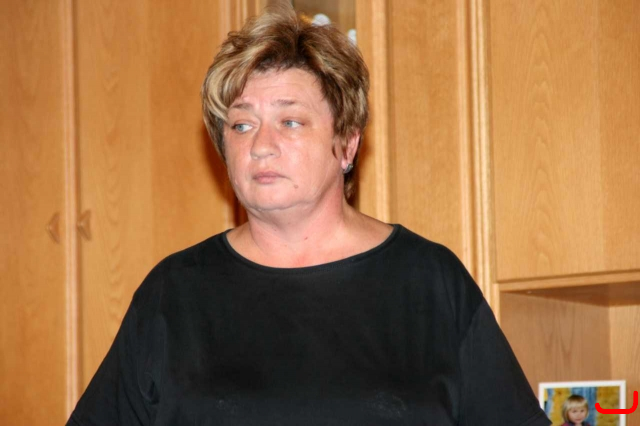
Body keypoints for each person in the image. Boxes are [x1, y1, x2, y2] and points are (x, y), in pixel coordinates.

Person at [67, 4, 551, 425]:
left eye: (290, 121)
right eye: (241, 124)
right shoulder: (173, 293)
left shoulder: (431, 281)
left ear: (348, 143)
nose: (261, 145)